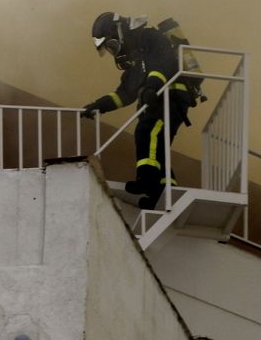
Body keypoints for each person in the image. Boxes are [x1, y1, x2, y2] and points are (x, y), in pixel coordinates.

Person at [81, 12, 193, 209]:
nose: (114, 52)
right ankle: (164, 190)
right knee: (158, 146)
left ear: (119, 32)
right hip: (158, 98)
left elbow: (163, 62)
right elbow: (125, 93)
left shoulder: (149, 37)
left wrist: (151, 86)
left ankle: (148, 180)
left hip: (172, 95)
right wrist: (99, 105)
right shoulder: (135, 59)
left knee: (147, 132)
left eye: (113, 45)